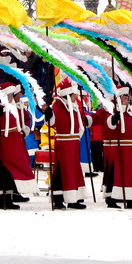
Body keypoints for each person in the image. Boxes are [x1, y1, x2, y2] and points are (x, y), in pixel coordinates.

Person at [0, 82, 37, 210]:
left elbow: (23, 121)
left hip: (13, 143)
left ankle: (9, 197)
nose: (12, 97)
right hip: (0, 143)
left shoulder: (15, 108)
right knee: (0, 171)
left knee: (10, 172)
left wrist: (23, 131)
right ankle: (1, 199)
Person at [44, 78, 89, 210]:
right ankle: (58, 199)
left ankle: (73, 198)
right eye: (74, 94)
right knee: (61, 171)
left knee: (73, 171)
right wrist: (49, 115)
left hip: (73, 143)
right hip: (64, 143)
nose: (76, 96)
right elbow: (52, 123)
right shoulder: (58, 107)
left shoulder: (73, 107)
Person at [96, 86, 132, 210]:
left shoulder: (131, 113)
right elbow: (108, 125)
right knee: (114, 173)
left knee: (131, 175)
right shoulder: (112, 111)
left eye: (128, 97)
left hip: (131, 149)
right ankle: (110, 198)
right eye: (124, 97)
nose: (127, 99)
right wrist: (114, 119)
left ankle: (131, 199)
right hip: (118, 148)